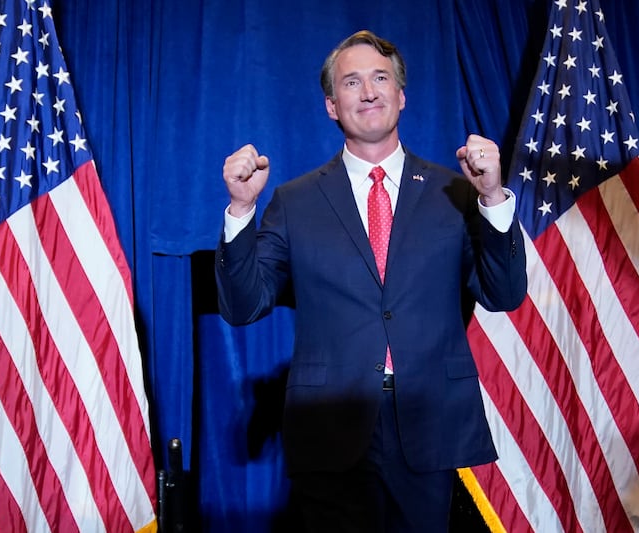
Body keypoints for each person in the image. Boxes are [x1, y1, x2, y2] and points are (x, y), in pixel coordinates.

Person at [216, 30, 527, 532]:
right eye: (351, 82)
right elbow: (242, 305)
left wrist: (492, 198)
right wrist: (240, 209)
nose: (368, 92)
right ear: (331, 106)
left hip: (428, 421)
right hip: (329, 427)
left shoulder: (456, 192)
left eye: (381, 79)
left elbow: (504, 293)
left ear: (401, 96)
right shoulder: (294, 201)